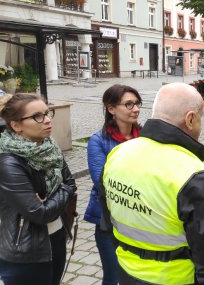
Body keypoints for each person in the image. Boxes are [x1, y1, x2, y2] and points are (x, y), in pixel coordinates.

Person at [99, 83, 204, 284]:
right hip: (176, 279)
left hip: (126, 272)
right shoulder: (197, 177)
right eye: (200, 118)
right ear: (190, 119)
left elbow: (108, 219)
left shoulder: (118, 155)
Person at [0, 93, 77, 285]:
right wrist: (62, 190)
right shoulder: (9, 162)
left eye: (47, 112)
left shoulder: (49, 147)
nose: (47, 120)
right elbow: (40, 214)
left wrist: (59, 192)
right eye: (37, 116)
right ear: (16, 125)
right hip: (26, 250)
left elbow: (70, 183)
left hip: (57, 237)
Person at [85, 84, 142, 285]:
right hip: (109, 219)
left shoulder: (147, 136)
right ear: (111, 109)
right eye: (128, 104)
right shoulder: (98, 141)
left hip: (142, 218)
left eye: (137, 103)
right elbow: (102, 181)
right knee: (113, 276)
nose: (135, 109)